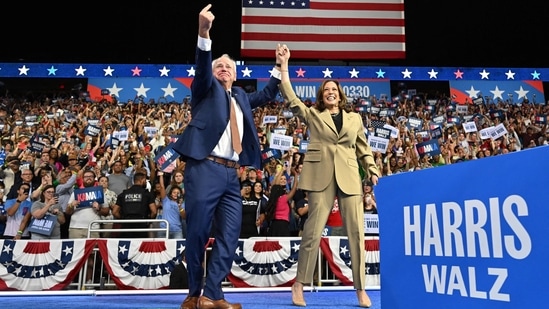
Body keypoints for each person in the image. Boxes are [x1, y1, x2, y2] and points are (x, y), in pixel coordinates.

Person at [172, 4, 286, 309]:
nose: (224, 69)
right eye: (219, 66)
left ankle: (213, 295)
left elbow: (267, 95)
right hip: (204, 168)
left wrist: (278, 66)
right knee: (196, 232)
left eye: (229, 67)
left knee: (230, 234)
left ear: (236, 75)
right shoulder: (204, 90)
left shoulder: (240, 98)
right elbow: (201, 64)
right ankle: (195, 293)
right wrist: (204, 33)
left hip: (231, 174)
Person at [278, 46, 380, 308]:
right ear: (322, 96)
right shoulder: (313, 115)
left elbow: (363, 148)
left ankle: (360, 289)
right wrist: (285, 66)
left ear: (340, 95)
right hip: (320, 177)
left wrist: (372, 169)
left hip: (349, 178)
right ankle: (298, 286)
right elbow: (291, 99)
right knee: (312, 232)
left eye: (334, 89)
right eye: (326, 90)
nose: (331, 93)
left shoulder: (355, 118)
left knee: (357, 233)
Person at [111, 172, 157, 238]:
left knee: (127, 246)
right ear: (142, 180)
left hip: (126, 225)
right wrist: (149, 220)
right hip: (142, 225)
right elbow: (154, 211)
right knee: (140, 247)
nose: (146, 182)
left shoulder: (123, 194)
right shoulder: (147, 194)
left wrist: (122, 219)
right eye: (145, 180)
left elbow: (115, 212)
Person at [157, 171, 185, 239]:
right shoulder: (166, 200)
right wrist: (161, 175)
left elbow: (184, 216)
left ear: (181, 194)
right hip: (163, 229)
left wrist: (180, 206)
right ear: (171, 194)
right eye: (174, 192)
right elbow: (162, 187)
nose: (176, 194)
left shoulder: (183, 204)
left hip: (176, 230)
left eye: (178, 193)